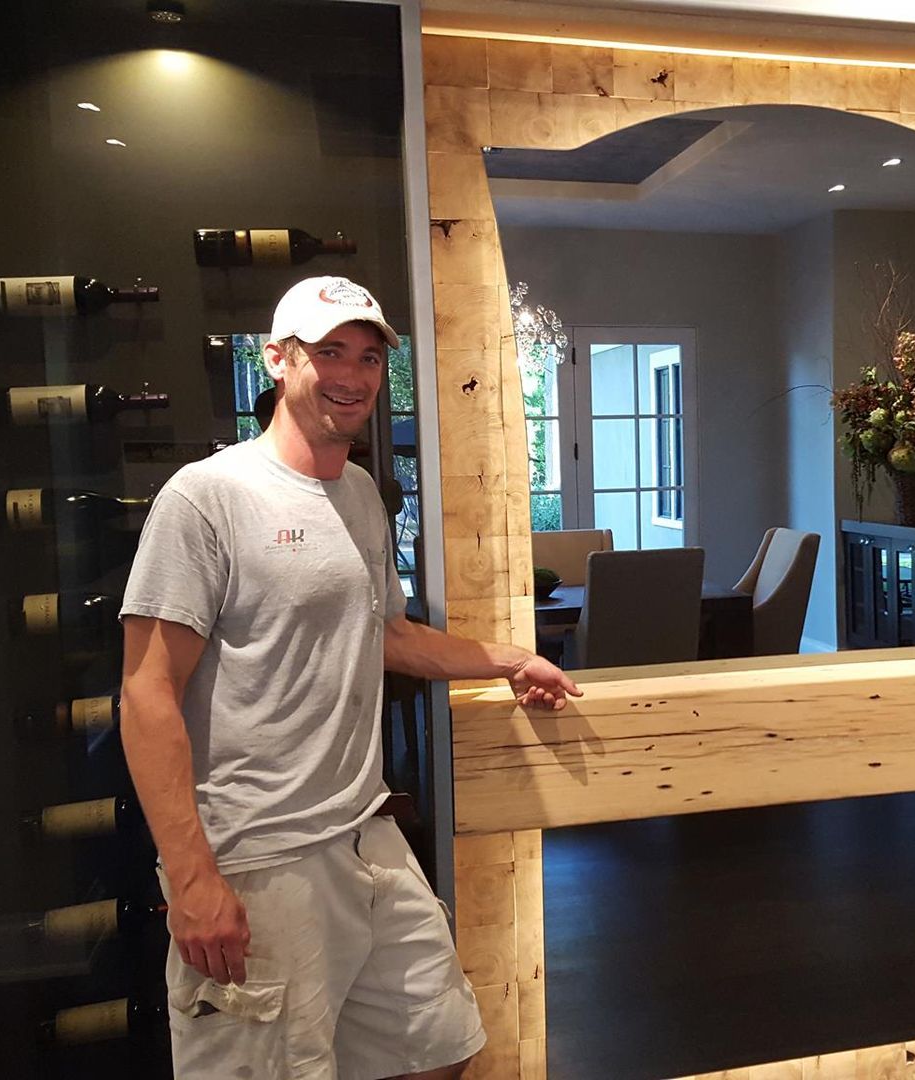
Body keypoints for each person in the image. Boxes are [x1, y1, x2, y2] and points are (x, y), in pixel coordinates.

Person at [119, 275, 581, 1079]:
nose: (353, 374)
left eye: (368, 357)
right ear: (276, 359)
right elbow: (147, 693)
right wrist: (192, 879)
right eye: (328, 351)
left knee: (440, 1049)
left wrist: (509, 658)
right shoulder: (207, 498)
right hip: (260, 859)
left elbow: (388, 635)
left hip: (363, 835)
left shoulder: (360, 492)